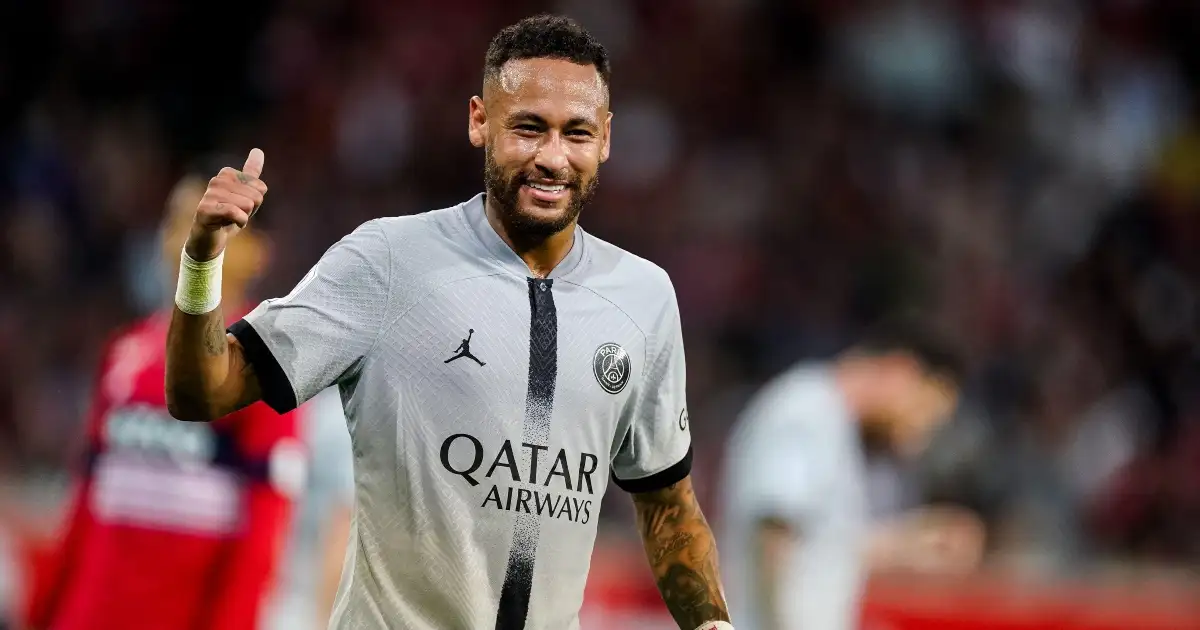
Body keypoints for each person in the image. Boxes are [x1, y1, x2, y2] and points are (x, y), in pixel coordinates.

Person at [164, 14, 733, 630]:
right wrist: (202, 261)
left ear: (606, 139)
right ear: (478, 121)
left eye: (576, 133)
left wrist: (713, 624)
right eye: (528, 129)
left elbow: (668, 505)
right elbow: (202, 390)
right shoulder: (387, 261)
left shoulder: (642, 296)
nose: (553, 157)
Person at [26, 173, 345, 630]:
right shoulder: (123, 354)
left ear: (258, 252)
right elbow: (82, 508)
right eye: (176, 221)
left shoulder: (264, 367)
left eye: (213, 224)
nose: (186, 238)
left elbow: (260, 541)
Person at [718, 317, 985, 630]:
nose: (920, 435)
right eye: (925, 412)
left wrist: (906, 544)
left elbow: (815, 547)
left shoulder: (835, 424)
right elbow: (772, 531)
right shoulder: (806, 412)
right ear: (901, 372)